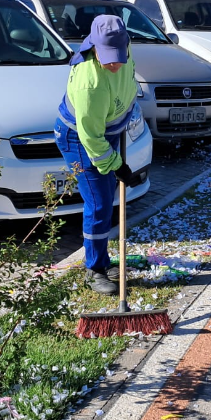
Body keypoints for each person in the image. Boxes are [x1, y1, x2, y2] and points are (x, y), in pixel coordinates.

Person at [54, 15, 143, 295]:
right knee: (99, 202)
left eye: (118, 56)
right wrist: (117, 165)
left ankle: (103, 261)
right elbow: (90, 137)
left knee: (107, 199)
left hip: (109, 130)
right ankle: (93, 269)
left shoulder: (125, 50)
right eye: (108, 58)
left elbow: (127, 83)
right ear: (94, 48)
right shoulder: (89, 83)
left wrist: (128, 115)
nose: (115, 63)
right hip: (80, 139)